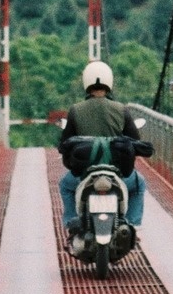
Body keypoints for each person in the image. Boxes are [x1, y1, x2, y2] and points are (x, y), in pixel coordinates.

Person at [58, 60, 146, 247]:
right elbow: (136, 142)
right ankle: (132, 226)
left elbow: (64, 144)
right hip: (117, 174)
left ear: (86, 83)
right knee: (139, 185)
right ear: (109, 83)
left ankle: (71, 224)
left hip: (84, 175)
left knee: (65, 186)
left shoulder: (75, 110)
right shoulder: (121, 110)